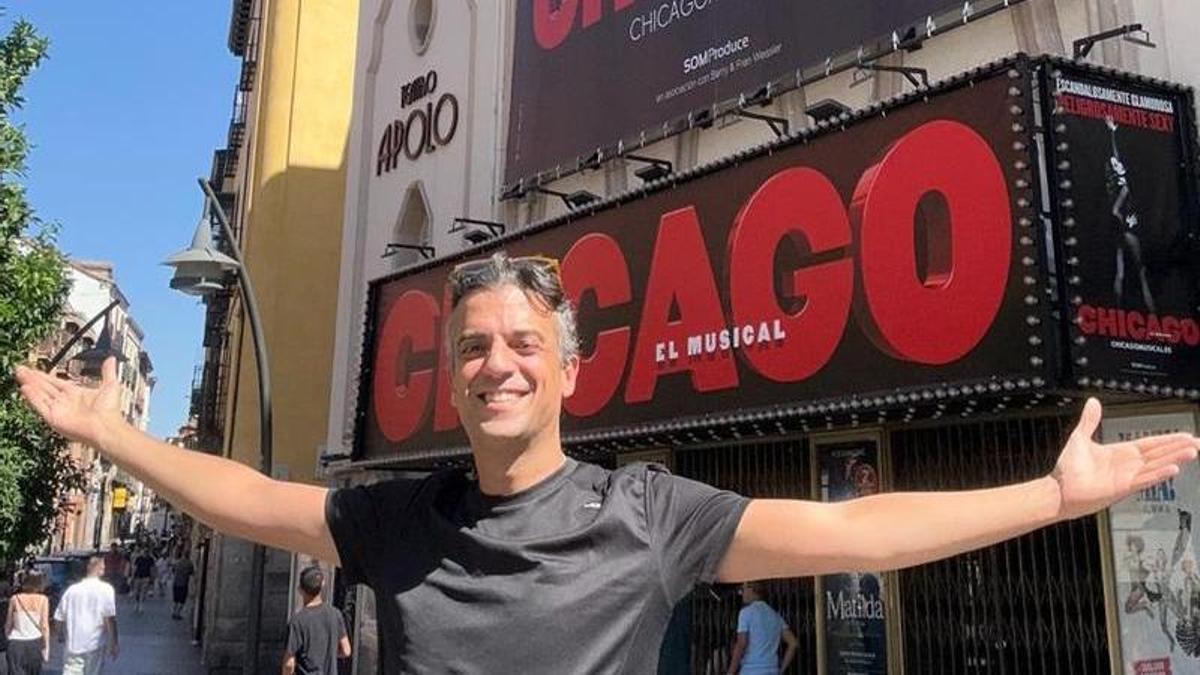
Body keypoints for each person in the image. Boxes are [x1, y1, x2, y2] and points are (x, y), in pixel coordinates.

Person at [13, 251, 1200, 673]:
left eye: (524, 344)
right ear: (453, 377)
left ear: (570, 371)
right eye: (474, 347)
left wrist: (1051, 496)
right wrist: (112, 437)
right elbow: (258, 500)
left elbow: (856, 533)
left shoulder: (650, 514)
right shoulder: (397, 518)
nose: (497, 364)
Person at [53, 557, 117, 675]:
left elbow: (59, 617)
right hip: (94, 644)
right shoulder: (107, 590)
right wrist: (113, 642)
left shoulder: (71, 590)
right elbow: (110, 618)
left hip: (73, 644)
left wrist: (60, 634)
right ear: (100, 569)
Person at [282, 566, 350, 675]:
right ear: (322, 585)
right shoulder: (335, 614)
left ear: (300, 590)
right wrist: (328, 653)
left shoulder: (298, 621)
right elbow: (346, 650)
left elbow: (289, 663)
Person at [726, 581, 796, 675]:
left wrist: (730, 672)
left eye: (743, 589)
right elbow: (793, 643)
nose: (741, 593)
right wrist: (781, 670)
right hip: (771, 671)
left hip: (751, 670)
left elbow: (741, 644)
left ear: (752, 589)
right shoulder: (775, 616)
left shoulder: (746, 613)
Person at [5, 571, 49, 674]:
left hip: (15, 643)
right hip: (34, 643)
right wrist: (46, 648)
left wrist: (8, 637)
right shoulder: (43, 600)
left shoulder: (15, 599)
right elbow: (45, 626)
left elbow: (8, 623)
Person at [169, 552, 194, 621]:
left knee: (175, 599)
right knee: (182, 600)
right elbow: (192, 573)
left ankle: (174, 612)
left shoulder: (177, 562)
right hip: (184, 584)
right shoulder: (189, 563)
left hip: (176, 583)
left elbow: (173, 570)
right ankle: (178, 613)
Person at [129, 549, 154, 614]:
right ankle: (137, 603)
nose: (145, 554)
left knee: (143, 592)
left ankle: (141, 605)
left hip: (146, 577)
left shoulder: (150, 559)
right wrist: (132, 576)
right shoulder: (138, 558)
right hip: (138, 577)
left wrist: (152, 578)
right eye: (144, 552)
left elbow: (152, 568)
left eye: (146, 552)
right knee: (137, 592)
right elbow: (135, 567)